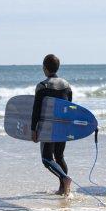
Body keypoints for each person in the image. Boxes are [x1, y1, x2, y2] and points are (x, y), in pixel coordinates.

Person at [30, 54, 73, 196]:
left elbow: (36, 110)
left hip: (49, 127)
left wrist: (33, 129)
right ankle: (63, 190)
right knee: (59, 156)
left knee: (46, 158)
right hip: (63, 125)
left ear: (44, 68)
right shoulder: (67, 85)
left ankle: (64, 178)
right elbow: (70, 107)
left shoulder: (42, 86)